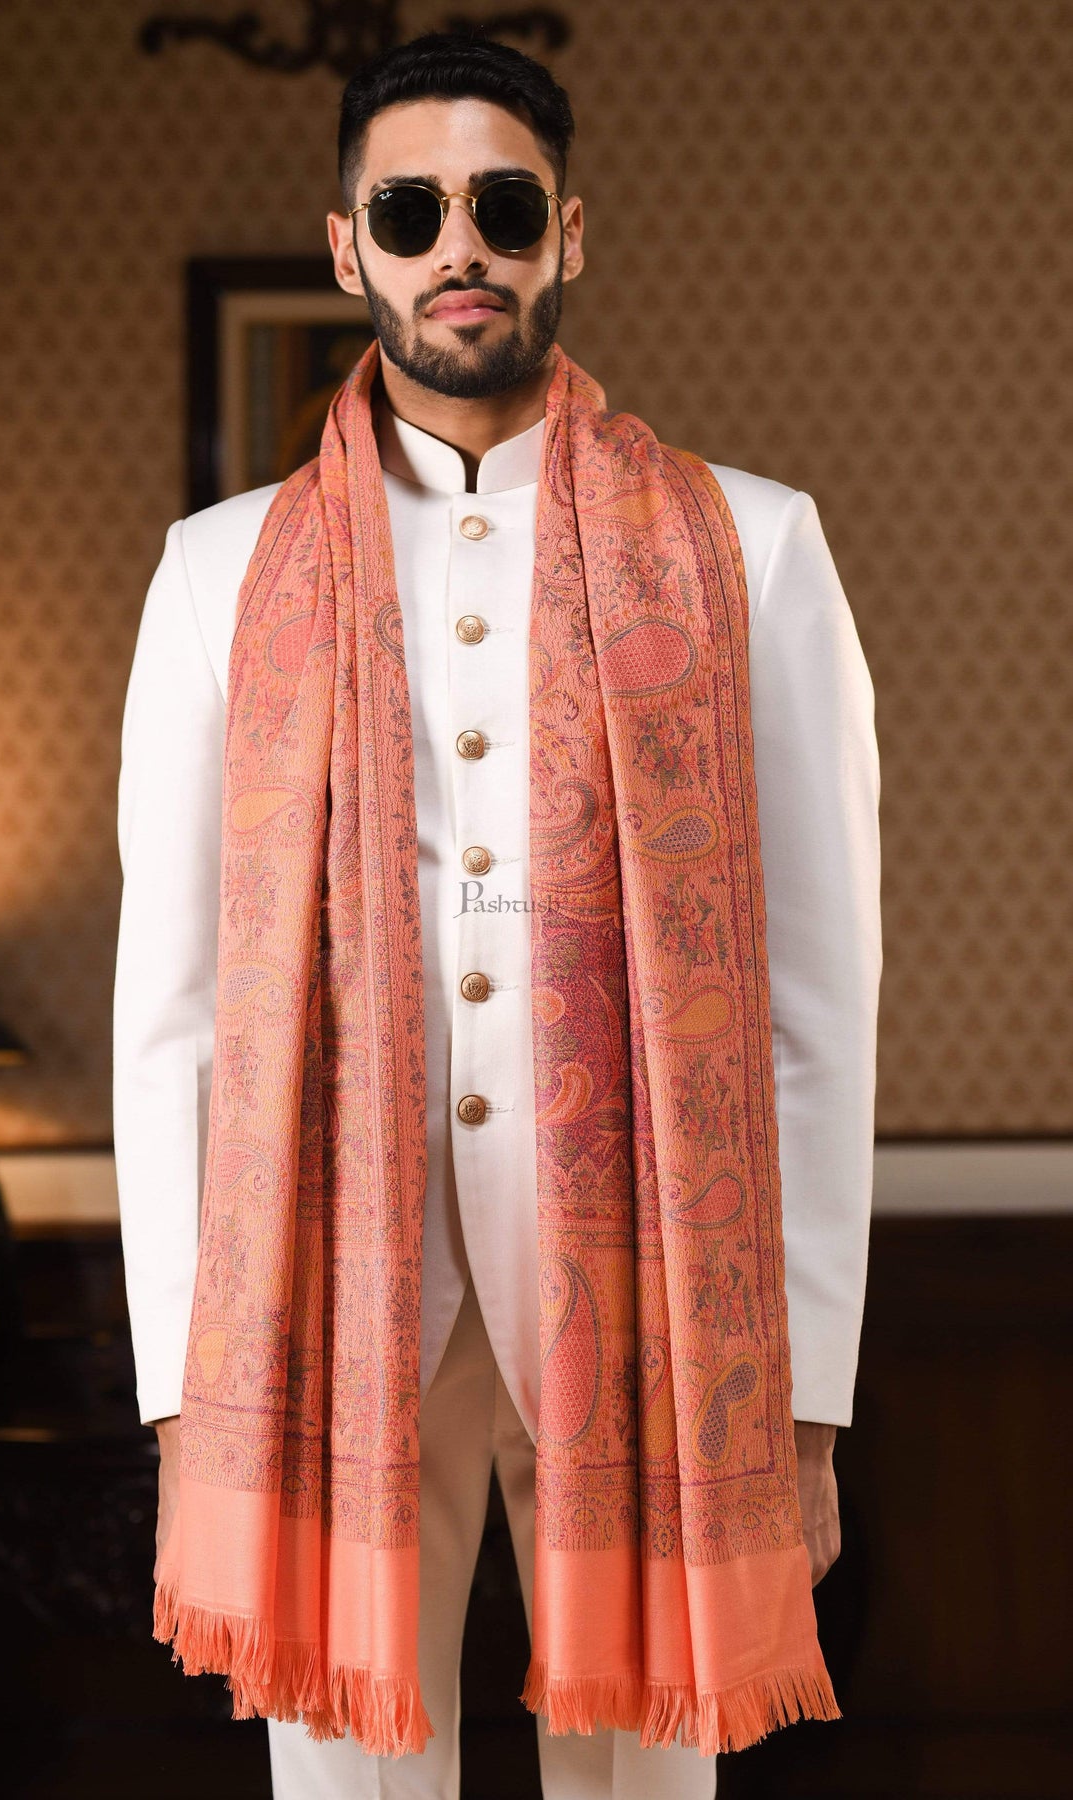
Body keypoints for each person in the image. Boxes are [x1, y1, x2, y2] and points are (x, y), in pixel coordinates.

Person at [113, 29, 882, 1800]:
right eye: (410, 209)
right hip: (321, 1301)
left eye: (504, 207)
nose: (458, 245)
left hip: (656, 1309)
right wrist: (179, 1401)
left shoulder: (751, 548)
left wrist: (802, 1401)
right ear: (348, 248)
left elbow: (810, 1010)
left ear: (568, 235)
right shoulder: (216, 574)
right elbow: (175, 1022)